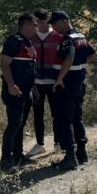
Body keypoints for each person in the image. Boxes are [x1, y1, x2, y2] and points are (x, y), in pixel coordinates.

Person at [51, 10, 96, 170]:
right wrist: (81, 66)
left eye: (55, 25)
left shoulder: (68, 39)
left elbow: (69, 57)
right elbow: (92, 55)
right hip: (79, 82)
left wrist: (60, 78)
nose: (54, 29)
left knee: (65, 119)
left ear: (63, 21)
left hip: (68, 84)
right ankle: (82, 153)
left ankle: (70, 156)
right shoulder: (81, 36)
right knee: (77, 117)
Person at [0, 13, 37, 172]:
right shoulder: (14, 40)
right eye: (33, 24)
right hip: (15, 91)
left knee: (20, 125)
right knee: (14, 124)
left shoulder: (29, 43)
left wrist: (34, 88)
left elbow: (29, 68)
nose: (36, 27)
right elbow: (4, 63)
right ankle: (5, 160)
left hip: (27, 91)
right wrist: (11, 84)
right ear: (25, 25)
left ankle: (18, 156)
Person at [27, 8, 63, 156]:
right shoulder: (31, 38)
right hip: (36, 84)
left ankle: (58, 143)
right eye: (38, 22)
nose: (41, 25)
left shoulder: (58, 37)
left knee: (57, 114)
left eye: (44, 22)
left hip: (54, 82)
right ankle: (40, 144)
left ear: (48, 21)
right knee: (38, 115)